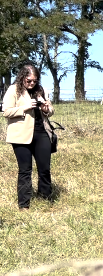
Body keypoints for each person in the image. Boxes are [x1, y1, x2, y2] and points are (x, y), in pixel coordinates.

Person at [2, 64, 56, 209]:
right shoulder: (13, 90)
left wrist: (46, 109)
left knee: (44, 168)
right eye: (29, 80)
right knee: (25, 170)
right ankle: (24, 204)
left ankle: (46, 198)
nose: (32, 83)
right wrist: (25, 108)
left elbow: (50, 110)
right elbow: (6, 111)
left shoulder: (40, 90)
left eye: (35, 80)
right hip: (21, 135)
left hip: (41, 133)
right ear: (22, 78)